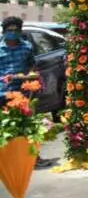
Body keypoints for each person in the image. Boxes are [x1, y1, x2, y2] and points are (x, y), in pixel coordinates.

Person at [0, 16, 51, 168]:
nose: (13, 33)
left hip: (22, 93)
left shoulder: (27, 47)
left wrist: (31, 75)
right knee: (5, 128)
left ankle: (34, 159)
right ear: (4, 31)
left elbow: (32, 67)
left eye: (16, 30)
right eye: (10, 30)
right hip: (2, 92)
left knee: (27, 126)